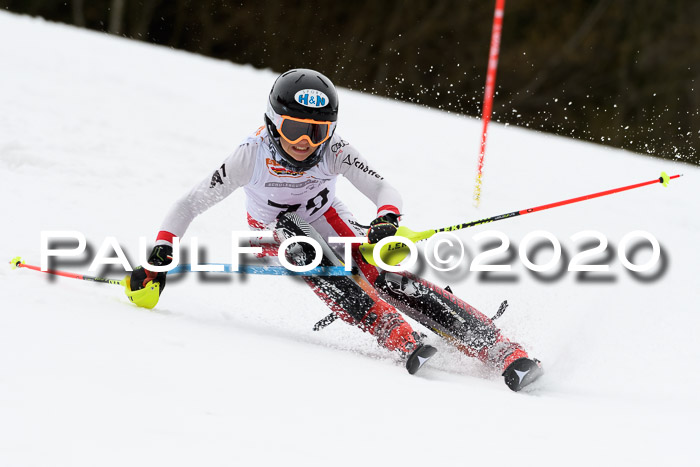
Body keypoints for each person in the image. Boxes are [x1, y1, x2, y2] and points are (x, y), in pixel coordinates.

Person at [130, 68, 542, 390]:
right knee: (301, 244)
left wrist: (386, 219)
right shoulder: (248, 156)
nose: (305, 143)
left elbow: (383, 188)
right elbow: (189, 203)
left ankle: (500, 348)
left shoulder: (335, 149)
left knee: (386, 276)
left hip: (329, 218)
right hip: (272, 232)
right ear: (273, 123)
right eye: (294, 129)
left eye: (317, 132)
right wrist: (161, 253)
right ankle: (393, 332)